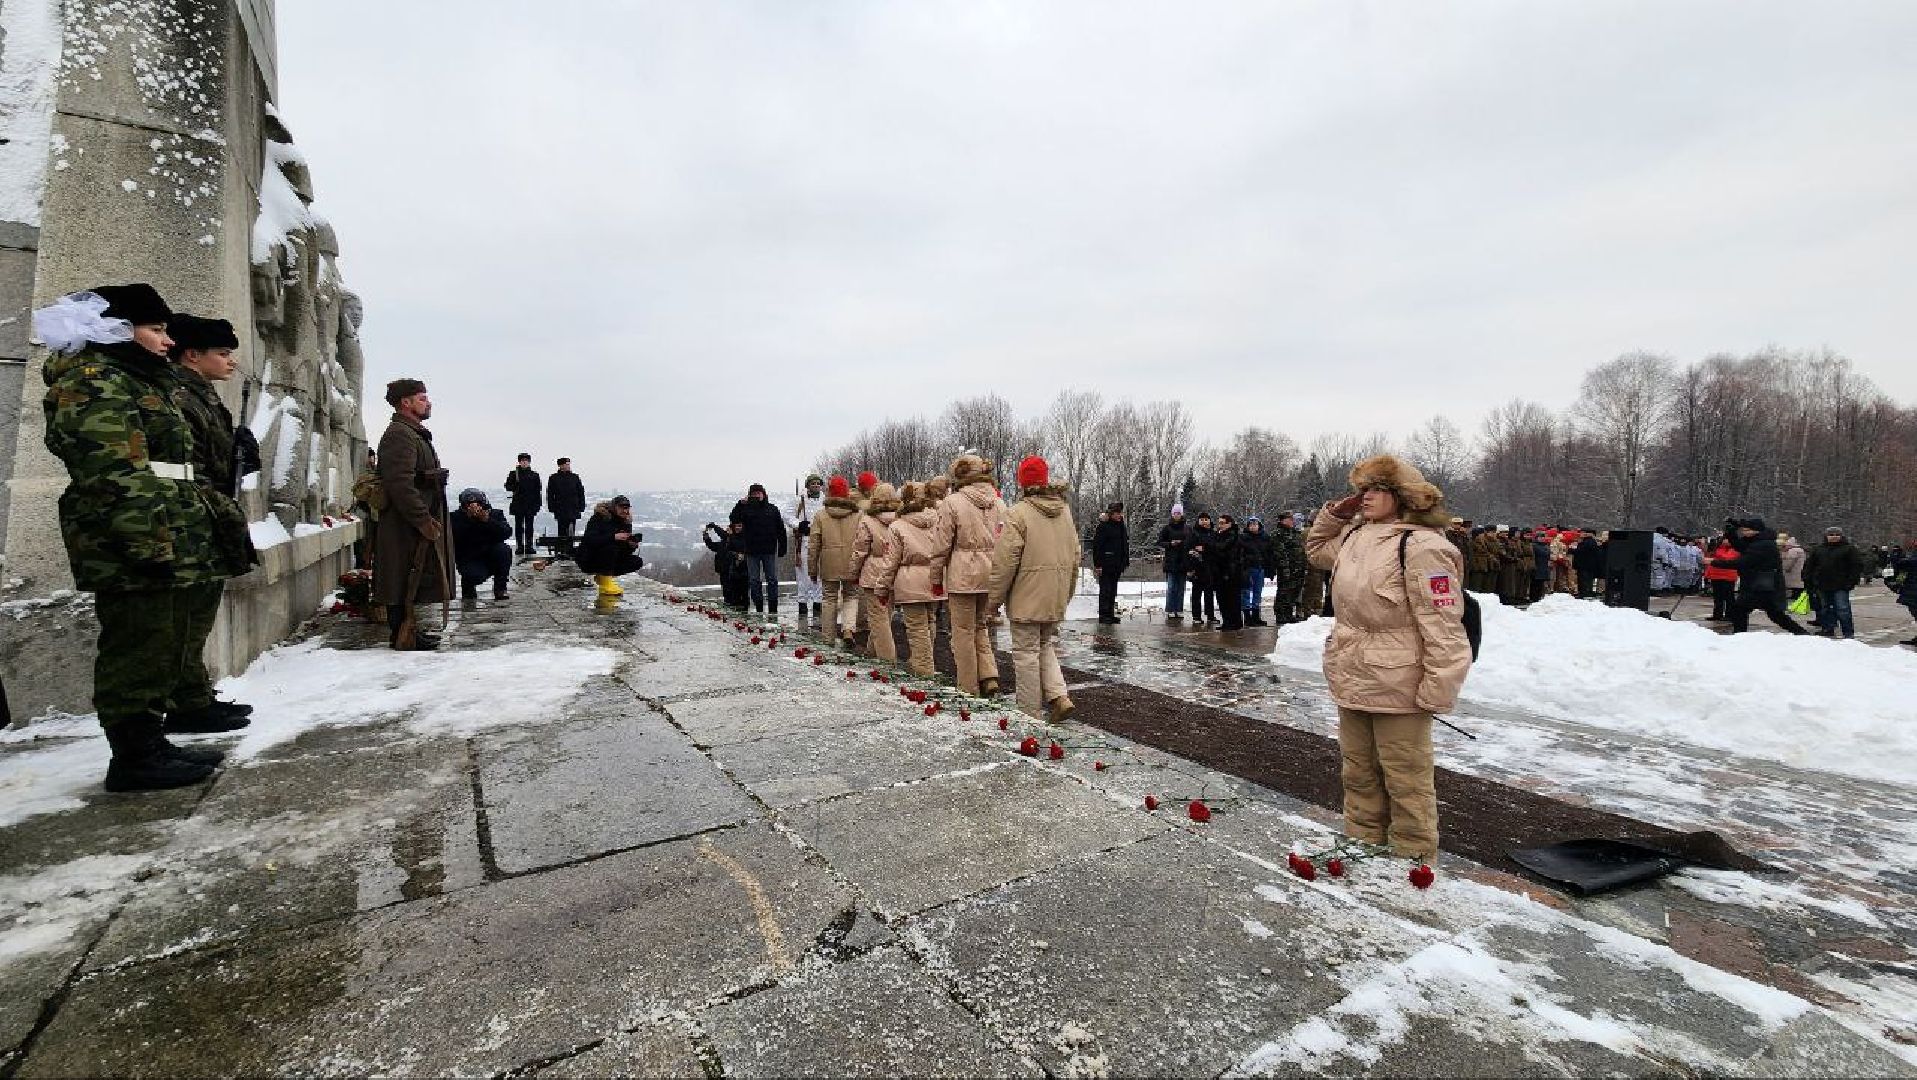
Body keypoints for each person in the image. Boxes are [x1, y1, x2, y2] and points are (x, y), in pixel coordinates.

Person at [35, 284, 225, 791]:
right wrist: (148, 542)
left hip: (161, 523)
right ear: (118, 330)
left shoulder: (134, 379)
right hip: (134, 530)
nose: (167, 342)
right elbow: (115, 471)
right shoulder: (96, 382)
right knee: (137, 641)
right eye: (156, 330)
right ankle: (133, 754)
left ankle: (149, 740)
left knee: (160, 636)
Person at [1305, 455, 1471, 864]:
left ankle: (1413, 855)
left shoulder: (1423, 547)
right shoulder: (1356, 536)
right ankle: (1363, 843)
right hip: (1352, 671)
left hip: (1400, 679)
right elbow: (1316, 550)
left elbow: (1443, 624)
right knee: (1357, 770)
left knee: (1405, 776)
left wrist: (1438, 686)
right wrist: (1333, 514)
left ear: (1403, 498)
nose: (1366, 498)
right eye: (1363, 489)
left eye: (1377, 490)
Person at [166, 313, 259, 734]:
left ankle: (193, 699)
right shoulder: (180, 396)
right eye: (222, 354)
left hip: (204, 516)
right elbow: (189, 467)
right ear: (192, 354)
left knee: (194, 621)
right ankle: (184, 704)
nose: (231, 362)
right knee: (183, 622)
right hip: (193, 518)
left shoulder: (201, 394)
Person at [987, 456, 1079, 722]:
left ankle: (1029, 714)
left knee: (1026, 654)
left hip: (1026, 597)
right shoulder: (1065, 512)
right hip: (1055, 593)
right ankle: (1059, 696)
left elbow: (1005, 563)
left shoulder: (1017, 514)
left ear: (1023, 482)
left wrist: (994, 600)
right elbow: (1075, 557)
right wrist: (1066, 594)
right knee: (1044, 646)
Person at [377, 379, 453, 650]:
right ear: (405, 403)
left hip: (412, 520)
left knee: (411, 576)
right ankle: (402, 634)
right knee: (401, 576)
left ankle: (409, 632)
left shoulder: (413, 432)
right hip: (404, 523)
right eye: (422, 398)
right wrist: (422, 520)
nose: (428, 402)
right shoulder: (400, 433)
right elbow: (400, 484)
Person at [934, 455, 1006, 695]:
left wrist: (936, 578)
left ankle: (968, 685)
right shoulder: (998, 503)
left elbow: (942, 544)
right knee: (979, 625)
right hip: (991, 571)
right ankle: (988, 675)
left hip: (963, 574)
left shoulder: (952, 502)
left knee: (962, 631)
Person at [875, 482, 945, 677]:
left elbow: (890, 561)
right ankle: (924, 660)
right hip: (934, 578)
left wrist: (882, 588)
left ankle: (924, 669)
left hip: (909, 581)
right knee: (930, 621)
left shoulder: (897, 527)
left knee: (916, 627)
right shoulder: (937, 520)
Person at [1710, 517, 1809, 636]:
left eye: (1747, 530)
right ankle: (1800, 633)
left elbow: (1743, 562)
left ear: (1756, 530)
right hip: (1760, 583)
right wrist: (1731, 533)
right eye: (1743, 530)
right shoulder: (1758, 540)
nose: (1744, 533)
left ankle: (1740, 635)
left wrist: (1713, 562)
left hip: (1763, 584)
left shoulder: (1763, 544)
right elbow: (1740, 546)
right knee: (1769, 613)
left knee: (1750, 610)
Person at [806, 476, 863, 641]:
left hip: (829, 563)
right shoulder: (858, 514)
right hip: (851, 561)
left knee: (829, 598)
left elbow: (814, 545)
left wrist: (812, 569)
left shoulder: (821, 515)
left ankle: (828, 635)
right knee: (851, 595)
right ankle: (848, 629)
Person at [850, 482, 901, 660]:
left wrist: (854, 572)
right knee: (885, 616)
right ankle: (872, 652)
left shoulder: (867, 520)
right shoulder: (900, 520)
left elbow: (860, 549)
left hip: (873, 572)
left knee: (878, 619)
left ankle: (887, 660)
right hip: (893, 571)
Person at [729, 483, 788, 616]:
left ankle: (773, 608)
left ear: (763, 494)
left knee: (772, 579)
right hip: (751, 551)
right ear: (750, 495)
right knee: (754, 580)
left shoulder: (772, 509)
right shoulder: (745, 509)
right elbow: (733, 519)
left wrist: (782, 546)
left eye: (758, 493)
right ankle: (759, 607)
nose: (756, 495)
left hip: (769, 550)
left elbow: (780, 529)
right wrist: (740, 504)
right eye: (754, 494)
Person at [1803, 526, 1867, 639]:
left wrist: (1851, 582)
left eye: (1837, 535)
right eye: (1831, 535)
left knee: (1843, 609)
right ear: (1826, 536)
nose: (1834, 537)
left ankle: (1848, 632)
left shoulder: (1849, 549)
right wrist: (1809, 580)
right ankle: (1827, 629)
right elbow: (1809, 566)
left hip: (1841, 585)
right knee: (1825, 608)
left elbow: (1856, 566)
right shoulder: (1819, 549)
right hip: (1822, 584)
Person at [449, 489, 513, 601]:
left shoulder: (495, 514)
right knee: (473, 575)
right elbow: (455, 537)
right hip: (469, 558)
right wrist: (469, 520)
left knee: (504, 550)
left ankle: (500, 589)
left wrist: (487, 521)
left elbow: (506, 532)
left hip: (491, 555)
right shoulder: (455, 518)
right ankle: (468, 587)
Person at [578, 495, 644, 595]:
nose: (625, 511)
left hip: (609, 559)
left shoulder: (625, 522)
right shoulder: (599, 518)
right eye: (622, 508)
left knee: (636, 562)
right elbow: (589, 540)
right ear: (614, 507)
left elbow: (622, 551)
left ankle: (604, 577)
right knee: (610, 548)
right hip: (589, 558)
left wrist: (630, 545)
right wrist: (613, 537)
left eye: (627, 508)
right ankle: (605, 583)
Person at [1090, 502, 1129, 625]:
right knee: (1105, 589)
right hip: (1106, 563)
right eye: (1117, 513)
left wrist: (1125, 560)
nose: (1119, 515)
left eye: (1120, 513)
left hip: (1117, 563)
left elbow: (1124, 544)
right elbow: (1097, 546)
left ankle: (1110, 614)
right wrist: (1098, 564)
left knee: (1113, 590)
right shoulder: (1104, 526)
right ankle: (1104, 614)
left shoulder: (1121, 526)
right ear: (1111, 514)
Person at [1208, 514, 1247, 630]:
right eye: (1219, 523)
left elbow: (1224, 550)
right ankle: (1227, 621)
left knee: (1231, 599)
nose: (1220, 525)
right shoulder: (1218, 535)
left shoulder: (1234, 536)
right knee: (1222, 599)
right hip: (1219, 571)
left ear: (1229, 524)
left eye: (1223, 523)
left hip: (1230, 572)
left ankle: (1233, 622)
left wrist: (1213, 547)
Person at [1270, 511, 1308, 624]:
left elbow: (1300, 549)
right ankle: (1281, 614)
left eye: (1292, 519)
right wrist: (1285, 568)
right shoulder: (1278, 534)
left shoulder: (1295, 533)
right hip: (1287, 568)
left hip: (1298, 568)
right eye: (1289, 519)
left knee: (1294, 592)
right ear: (1282, 520)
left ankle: (1288, 613)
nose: (1292, 521)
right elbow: (1280, 553)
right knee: (1284, 591)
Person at [503, 453, 542, 557]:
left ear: (529, 462)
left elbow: (538, 491)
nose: (524, 462)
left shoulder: (534, 475)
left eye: (526, 461)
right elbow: (507, 486)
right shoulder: (513, 474)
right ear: (519, 462)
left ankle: (529, 546)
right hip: (518, 504)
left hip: (530, 504)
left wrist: (538, 505)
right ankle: (520, 546)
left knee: (530, 526)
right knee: (519, 527)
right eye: (522, 461)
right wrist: (515, 485)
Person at [1157, 504, 1191, 621]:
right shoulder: (1167, 528)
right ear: (1172, 514)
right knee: (1171, 587)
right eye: (1175, 513)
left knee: (1181, 587)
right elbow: (1160, 542)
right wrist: (1170, 544)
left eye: (1179, 513)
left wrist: (1183, 544)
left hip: (1183, 561)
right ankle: (1170, 609)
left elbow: (1190, 542)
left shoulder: (1187, 528)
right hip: (1171, 561)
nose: (1177, 515)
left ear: (1182, 514)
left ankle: (1179, 609)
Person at [1240, 515, 1275, 626]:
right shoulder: (1243, 538)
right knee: (1246, 592)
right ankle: (1247, 617)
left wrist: (1270, 568)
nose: (1253, 527)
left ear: (1259, 525)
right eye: (1251, 524)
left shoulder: (1265, 538)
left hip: (1260, 568)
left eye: (1255, 524)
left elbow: (1269, 554)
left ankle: (1256, 616)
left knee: (1257, 593)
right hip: (1248, 568)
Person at [704, 521, 749, 608]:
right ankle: (730, 606)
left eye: (729, 530)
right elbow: (712, 546)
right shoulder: (723, 543)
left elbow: (723, 535)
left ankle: (740, 608)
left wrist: (715, 527)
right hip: (723, 570)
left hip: (735, 571)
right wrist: (706, 536)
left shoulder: (738, 540)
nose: (727, 532)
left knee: (738, 593)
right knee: (726, 592)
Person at [546, 458, 586, 550]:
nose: (568, 466)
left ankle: (570, 548)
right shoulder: (553, 478)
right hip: (560, 508)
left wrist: (581, 506)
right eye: (566, 464)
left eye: (568, 464)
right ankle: (562, 548)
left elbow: (580, 492)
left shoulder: (575, 477)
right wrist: (551, 507)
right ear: (560, 466)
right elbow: (550, 494)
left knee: (572, 529)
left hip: (573, 507)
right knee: (562, 529)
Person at [1187, 511, 1216, 624]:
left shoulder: (1213, 533)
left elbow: (1216, 548)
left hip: (1210, 566)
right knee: (1196, 593)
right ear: (1198, 521)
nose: (1204, 522)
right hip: (1197, 567)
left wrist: (1205, 548)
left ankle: (1210, 615)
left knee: (1209, 593)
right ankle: (1196, 616)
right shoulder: (1193, 533)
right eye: (1202, 519)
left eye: (1206, 519)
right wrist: (1190, 567)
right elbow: (1188, 549)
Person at [1704, 534, 1739, 621]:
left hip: (1728, 576)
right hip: (1716, 575)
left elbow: (1729, 558)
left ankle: (1729, 615)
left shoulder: (1735, 549)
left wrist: (1715, 559)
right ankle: (1717, 614)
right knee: (1717, 597)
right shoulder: (1716, 549)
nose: (1725, 541)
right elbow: (1708, 558)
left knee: (1729, 597)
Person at [1573, 530, 1605, 599]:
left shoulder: (1588, 542)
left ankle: (1585, 593)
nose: (1581, 534)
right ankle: (1585, 592)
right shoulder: (1589, 542)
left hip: (1585, 565)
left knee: (1585, 579)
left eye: (1583, 533)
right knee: (1585, 579)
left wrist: (1572, 550)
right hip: (1587, 565)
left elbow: (1581, 551)